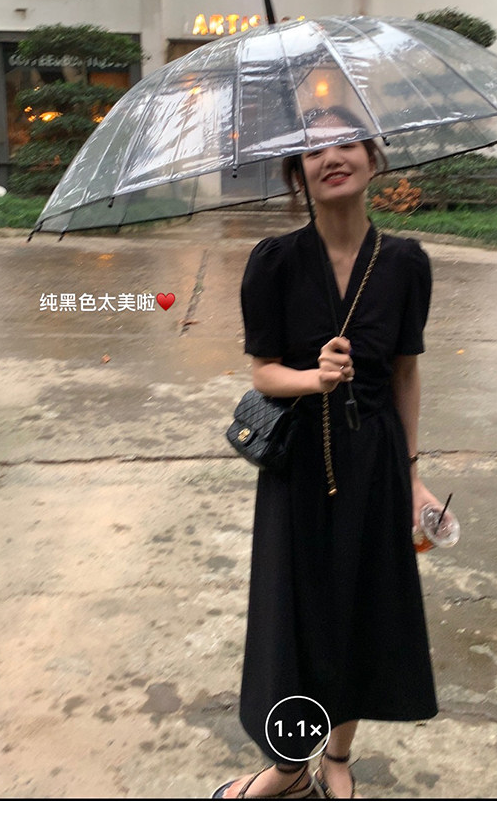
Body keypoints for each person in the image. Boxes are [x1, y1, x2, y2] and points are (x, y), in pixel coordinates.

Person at [212, 107, 443, 800]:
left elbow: (404, 372)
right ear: (298, 175)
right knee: (293, 615)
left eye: (345, 142)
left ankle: (337, 758)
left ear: (373, 158)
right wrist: (315, 379)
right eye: (312, 150)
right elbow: (263, 373)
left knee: (361, 608)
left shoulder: (405, 263)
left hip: (374, 462)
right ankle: (289, 765)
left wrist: (412, 477)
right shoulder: (275, 262)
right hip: (298, 467)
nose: (330, 157)